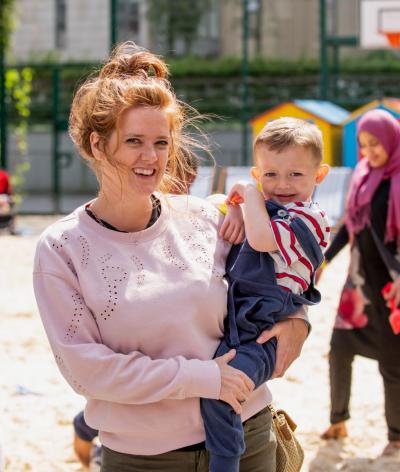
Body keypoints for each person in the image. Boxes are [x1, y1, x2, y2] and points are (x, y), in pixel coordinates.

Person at [33, 42, 310, 472]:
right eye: (134, 142)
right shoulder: (61, 248)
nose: (151, 158)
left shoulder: (210, 217)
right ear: (98, 144)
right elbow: (87, 370)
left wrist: (299, 323)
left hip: (250, 436)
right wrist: (203, 379)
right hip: (145, 460)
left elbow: (278, 272)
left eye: (161, 142)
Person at [201, 117, 330, 472]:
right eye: (270, 175)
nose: (282, 185)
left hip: (264, 332)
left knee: (224, 393)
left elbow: (261, 239)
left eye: (295, 175)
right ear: (259, 173)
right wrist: (240, 209)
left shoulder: (311, 218)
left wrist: (251, 196)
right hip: (239, 324)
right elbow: (221, 207)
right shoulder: (266, 210)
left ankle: (226, 464)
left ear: (319, 175)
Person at [71, 148, 200, 469]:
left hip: (178, 371)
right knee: (116, 401)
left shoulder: (195, 215)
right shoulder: (118, 219)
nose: (174, 187)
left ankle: (88, 435)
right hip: (134, 381)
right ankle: (87, 438)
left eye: (183, 181)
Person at [319, 109, 400, 456]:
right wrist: (324, 260)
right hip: (358, 284)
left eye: (376, 143)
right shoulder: (363, 175)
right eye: (364, 145)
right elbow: (352, 226)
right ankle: (338, 420)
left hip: (390, 287)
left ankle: (396, 435)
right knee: (339, 350)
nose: (370, 151)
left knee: (392, 364)